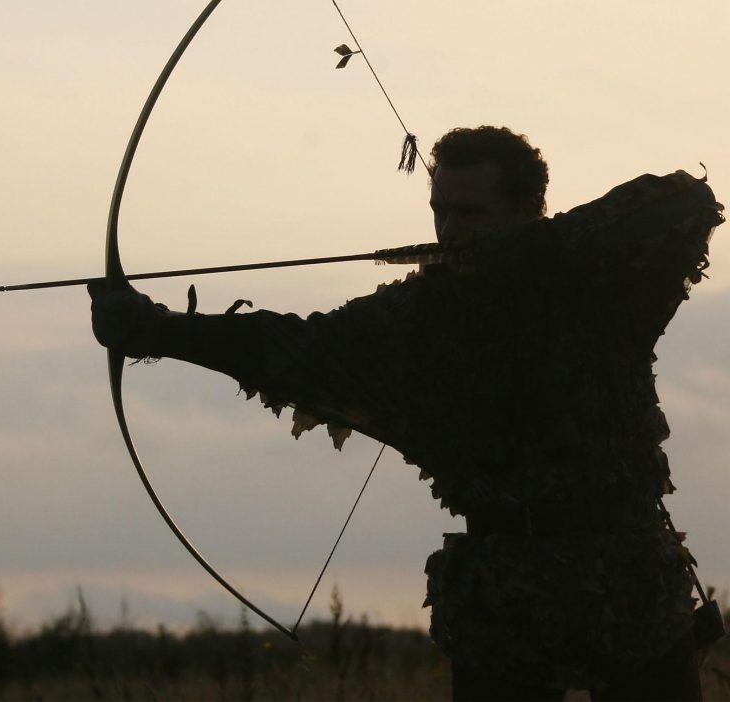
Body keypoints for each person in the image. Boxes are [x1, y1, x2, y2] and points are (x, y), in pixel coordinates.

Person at [90, 126, 723, 700]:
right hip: (503, 599)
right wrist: (153, 328)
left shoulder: (600, 284)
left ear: (528, 213)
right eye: (440, 211)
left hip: (629, 582)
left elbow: (684, 202)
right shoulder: (421, 318)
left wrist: (535, 254)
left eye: (471, 214)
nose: (448, 231)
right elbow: (288, 347)